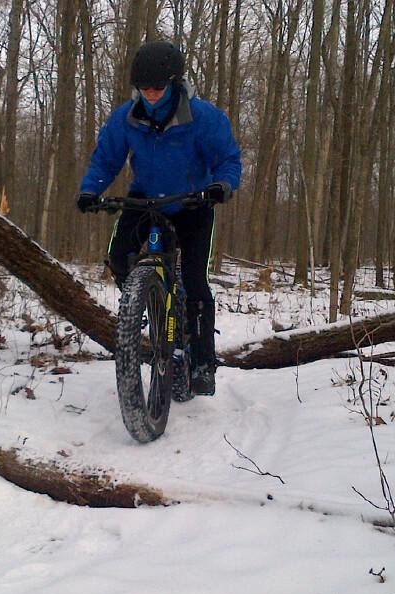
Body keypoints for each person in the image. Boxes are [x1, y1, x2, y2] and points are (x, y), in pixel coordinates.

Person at [76, 41, 242, 396]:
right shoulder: (127, 117)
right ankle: (147, 302)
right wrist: (91, 191)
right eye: (144, 89)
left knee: (195, 281)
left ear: (174, 82)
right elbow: (107, 159)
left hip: (193, 201)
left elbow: (228, 159)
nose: (150, 95)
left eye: (157, 88)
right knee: (120, 257)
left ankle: (201, 362)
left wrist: (222, 186)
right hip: (146, 199)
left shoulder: (203, 117)